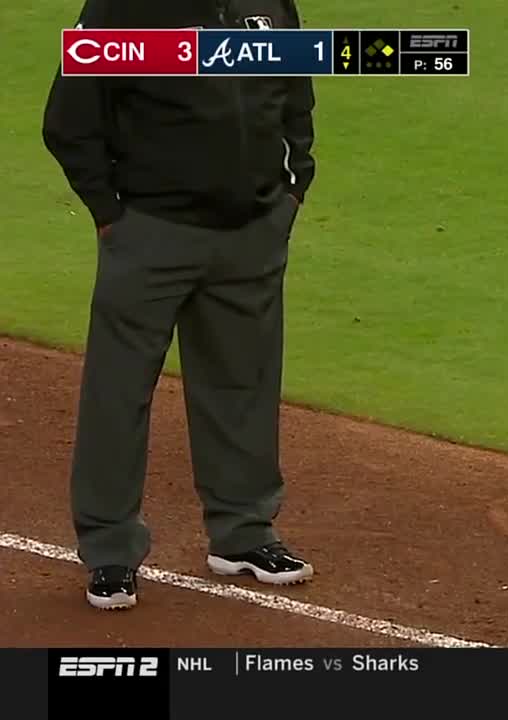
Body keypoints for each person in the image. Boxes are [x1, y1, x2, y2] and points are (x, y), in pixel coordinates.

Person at [42, 0, 317, 610]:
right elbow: (68, 119)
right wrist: (110, 214)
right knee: (119, 392)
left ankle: (242, 533)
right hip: (150, 230)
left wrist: (295, 185)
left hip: (252, 233)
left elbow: (295, 94)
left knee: (243, 382)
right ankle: (111, 550)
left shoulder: (269, 1)